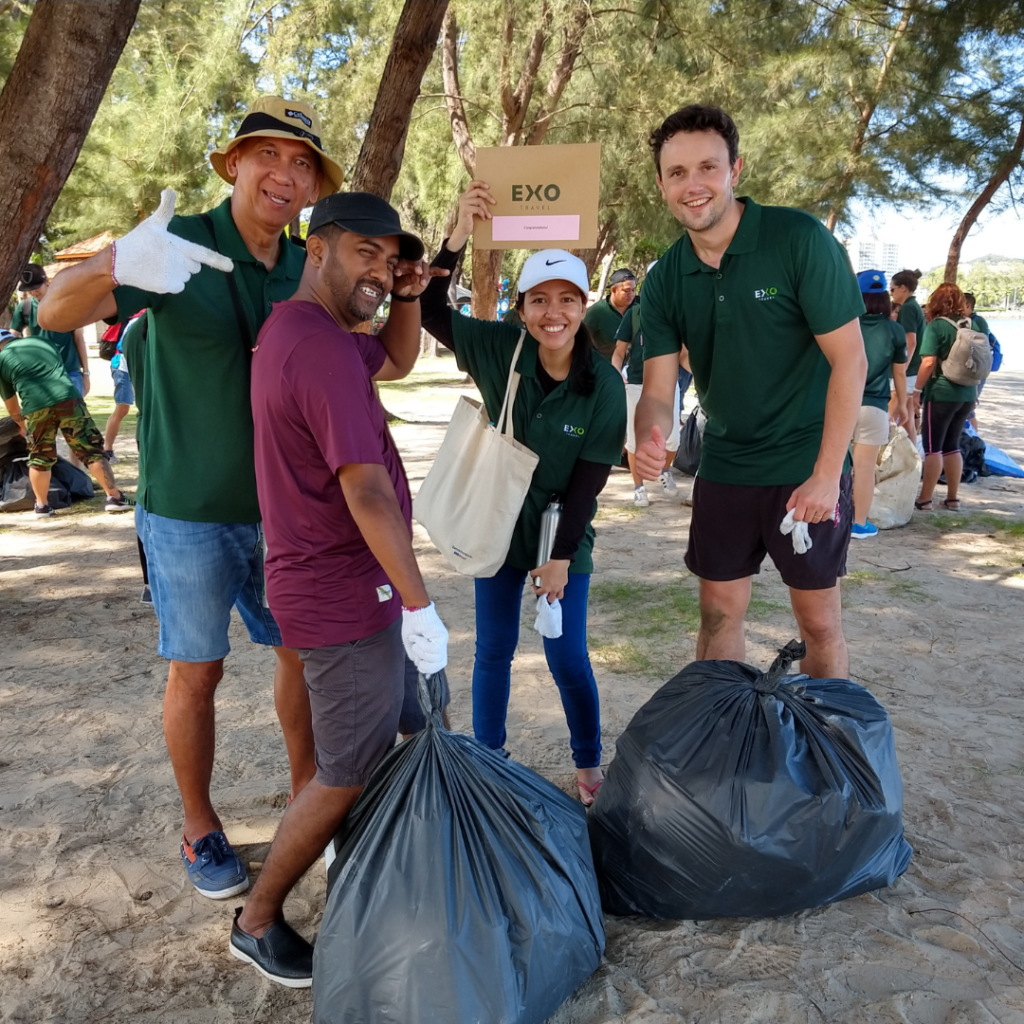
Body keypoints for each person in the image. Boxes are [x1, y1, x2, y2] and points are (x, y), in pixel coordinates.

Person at [37, 95, 347, 900]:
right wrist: (115, 263)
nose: (284, 174)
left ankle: (307, 800)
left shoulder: (306, 267)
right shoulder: (176, 247)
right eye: (268, 154)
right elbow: (53, 310)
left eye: (302, 163)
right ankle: (200, 825)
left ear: (313, 185)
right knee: (197, 672)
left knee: (301, 657)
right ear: (235, 163)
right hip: (187, 511)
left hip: (287, 513)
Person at [235, 192, 449, 987]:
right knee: (347, 768)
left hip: (352, 584)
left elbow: (397, 361)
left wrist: (411, 294)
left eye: (390, 260)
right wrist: (421, 603)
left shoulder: (314, 332)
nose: (382, 272)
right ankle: (257, 921)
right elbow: (365, 490)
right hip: (340, 594)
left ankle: (386, 877)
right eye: (367, 253)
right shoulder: (318, 347)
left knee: (406, 730)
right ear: (316, 249)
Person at [635, 104, 866, 679]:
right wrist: (648, 437)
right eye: (677, 172)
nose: (693, 185)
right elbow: (658, 389)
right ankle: (719, 726)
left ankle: (827, 732)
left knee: (819, 622)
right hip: (726, 464)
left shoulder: (798, 239)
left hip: (805, 461)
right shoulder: (664, 279)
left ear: (735, 169)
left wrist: (826, 474)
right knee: (717, 615)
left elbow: (851, 361)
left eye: (708, 167)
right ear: (661, 184)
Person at [421, 181, 626, 806]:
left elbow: (589, 484)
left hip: (563, 535)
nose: (552, 313)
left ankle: (588, 765)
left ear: (584, 306)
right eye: (539, 300)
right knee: (494, 650)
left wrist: (561, 558)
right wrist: (457, 235)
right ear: (522, 307)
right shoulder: (500, 349)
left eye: (567, 299)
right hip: (497, 528)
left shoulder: (603, 385)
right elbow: (428, 308)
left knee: (566, 657)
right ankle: (489, 759)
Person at [0, 332, 132, 515]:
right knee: (91, 450)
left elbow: (12, 406)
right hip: (68, 399)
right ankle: (114, 498)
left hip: (35, 406)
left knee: (39, 457)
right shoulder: (41, 342)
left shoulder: (2, 360)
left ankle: (42, 506)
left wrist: (22, 425)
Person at [611, 262, 683, 506]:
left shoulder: (678, 314)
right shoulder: (635, 314)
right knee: (634, 440)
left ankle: (665, 470)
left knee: (673, 439)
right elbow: (619, 352)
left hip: (669, 383)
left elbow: (686, 353)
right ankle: (638, 487)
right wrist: (616, 374)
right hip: (636, 384)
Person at [850, 270, 908, 539]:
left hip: (838, 403)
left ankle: (828, 518)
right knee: (864, 468)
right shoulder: (895, 330)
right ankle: (859, 523)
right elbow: (899, 374)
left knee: (832, 463)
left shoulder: (844, 325)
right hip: (874, 405)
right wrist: (903, 405)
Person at [913, 282, 977, 511]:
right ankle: (953, 498)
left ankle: (925, 499)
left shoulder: (936, 326)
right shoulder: (973, 323)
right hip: (968, 393)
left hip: (941, 392)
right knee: (953, 445)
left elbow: (928, 362)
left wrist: (916, 391)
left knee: (933, 447)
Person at [11, 265, 91, 399]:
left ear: (46, 281)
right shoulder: (25, 307)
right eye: (30, 290)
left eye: (37, 288)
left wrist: (86, 373)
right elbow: (11, 337)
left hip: (70, 372)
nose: (34, 292)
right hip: (40, 374)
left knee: (76, 412)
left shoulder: (67, 304)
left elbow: (79, 338)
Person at [101, 311, 144, 461]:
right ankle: (107, 450)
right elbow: (124, 346)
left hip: (135, 366)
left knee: (144, 407)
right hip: (122, 366)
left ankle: (145, 448)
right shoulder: (137, 320)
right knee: (122, 408)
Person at [889, 269, 924, 445]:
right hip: (914, 369)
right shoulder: (913, 305)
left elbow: (911, 341)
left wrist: (902, 367)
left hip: (908, 370)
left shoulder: (908, 308)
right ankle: (912, 454)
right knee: (908, 418)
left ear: (903, 288)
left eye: (892, 289)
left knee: (890, 415)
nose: (891, 294)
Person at [584, 267, 636, 361]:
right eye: (626, 291)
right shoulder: (597, 311)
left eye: (633, 290)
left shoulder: (638, 309)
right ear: (613, 290)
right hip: (604, 366)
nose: (631, 294)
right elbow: (581, 339)